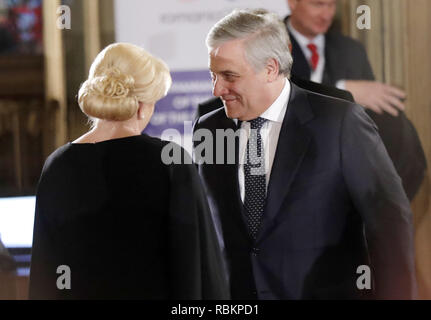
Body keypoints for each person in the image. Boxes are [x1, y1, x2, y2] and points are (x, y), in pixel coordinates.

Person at [193, 9, 416, 299]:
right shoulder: (209, 128)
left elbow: (389, 222)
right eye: (213, 75)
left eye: (229, 76)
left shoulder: (339, 122)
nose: (217, 88)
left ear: (270, 69)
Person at [29, 43, 229, 300]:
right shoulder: (169, 163)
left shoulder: (58, 165)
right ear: (142, 106)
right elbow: (198, 268)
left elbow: (45, 272)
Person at [286, 0, 427, 200]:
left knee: (398, 128)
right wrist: (342, 89)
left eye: (331, 5)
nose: (326, 14)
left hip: (350, 163)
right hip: (295, 162)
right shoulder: (268, 43)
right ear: (292, 3)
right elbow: (276, 100)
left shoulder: (351, 50)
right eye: (318, 4)